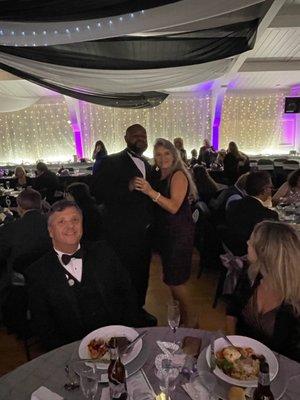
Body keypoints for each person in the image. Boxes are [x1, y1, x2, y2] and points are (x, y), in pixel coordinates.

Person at [26, 200, 139, 350]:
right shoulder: (37, 272)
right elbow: (44, 326)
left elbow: (128, 294)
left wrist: (128, 334)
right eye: (61, 222)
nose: (70, 226)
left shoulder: (104, 252)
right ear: (50, 231)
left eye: (75, 220)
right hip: (72, 350)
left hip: (117, 342)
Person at [93, 124, 156, 326]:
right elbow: (98, 192)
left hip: (145, 232)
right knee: (123, 273)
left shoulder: (148, 164)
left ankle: (138, 309)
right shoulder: (110, 162)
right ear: (126, 138)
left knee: (142, 273)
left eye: (144, 135)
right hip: (120, 233)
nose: (140, 138)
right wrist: (126, 187)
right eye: (135, 135)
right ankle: (122, 315)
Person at [131, 138, 197, 326]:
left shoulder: (178, 175)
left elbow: (174, 206)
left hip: (178, 234)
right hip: (166, 234)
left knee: (176, 281)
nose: (163, 158)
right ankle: (182, 320)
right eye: (158, 154)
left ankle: (192, 323)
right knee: (170, 280)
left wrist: (151, 192)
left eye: (167, 153)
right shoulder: (159, 174)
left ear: (174, 154)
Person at [226, 221, 300, 362]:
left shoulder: (295, 298)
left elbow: (294, 356)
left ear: (266, 253)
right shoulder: (250, 273)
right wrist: (232, 346)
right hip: (240, 362)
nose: (247, 242)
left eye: (252, 241)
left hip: (279, 370)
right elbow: (232, 310)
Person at [0, 188, 51, 335]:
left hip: (20, 284)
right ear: (40, 204)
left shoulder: (10, 229)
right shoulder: (55, 223)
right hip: (51, 278)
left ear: (19, 208)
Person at [225, 171, 278, 255]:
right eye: (271, 187)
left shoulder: (233, 205)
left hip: (232, 250)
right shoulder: (268, 215)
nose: (271, 190)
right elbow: (272, 244)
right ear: (264, 190)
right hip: (253, 255)